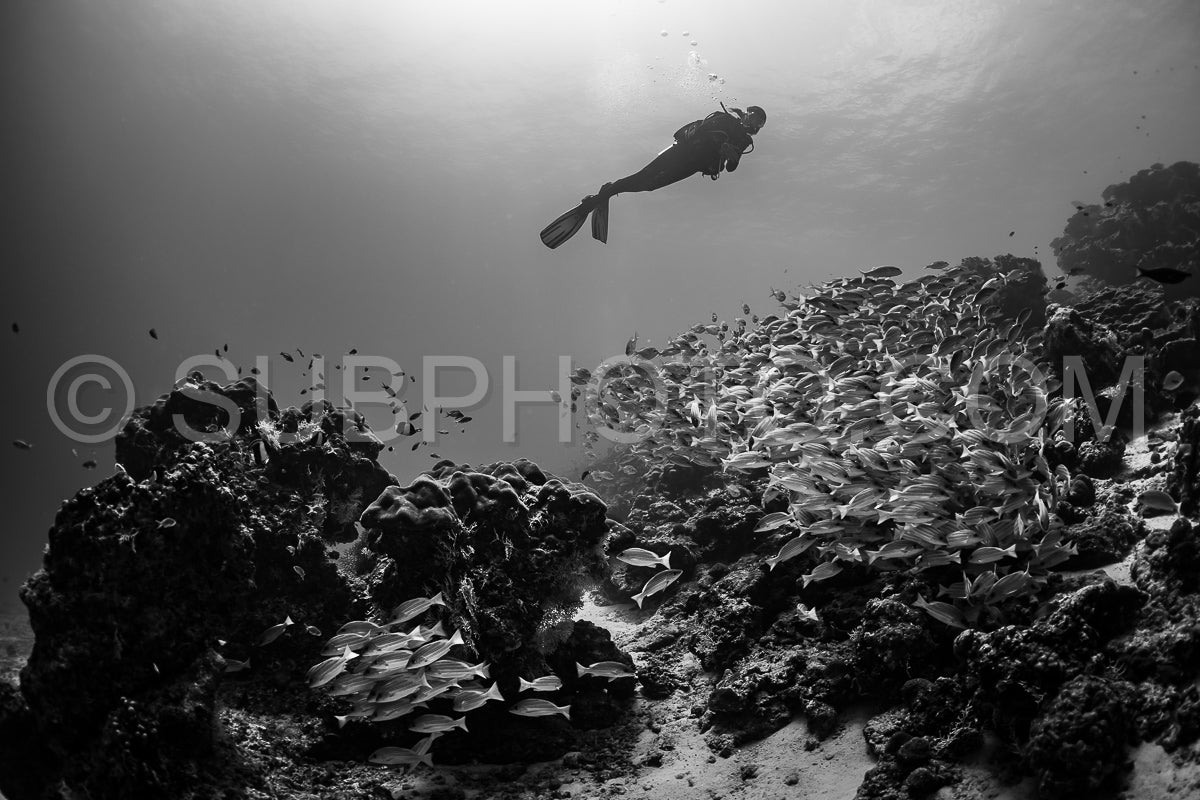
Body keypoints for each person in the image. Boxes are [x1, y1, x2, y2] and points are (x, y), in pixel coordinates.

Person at [539, 105, 766, 249]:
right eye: (752, 117)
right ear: (746, 113)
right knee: (643, 176)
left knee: (648, 186)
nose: (752, 124)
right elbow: (703, 128)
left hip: (693, 165)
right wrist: (718, 142)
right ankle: (591, 202)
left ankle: (607, 191)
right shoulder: (725, 119)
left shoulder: (744, 142)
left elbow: (731, 168)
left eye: (757, 124)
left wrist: (732, 157)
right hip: (682, 151)